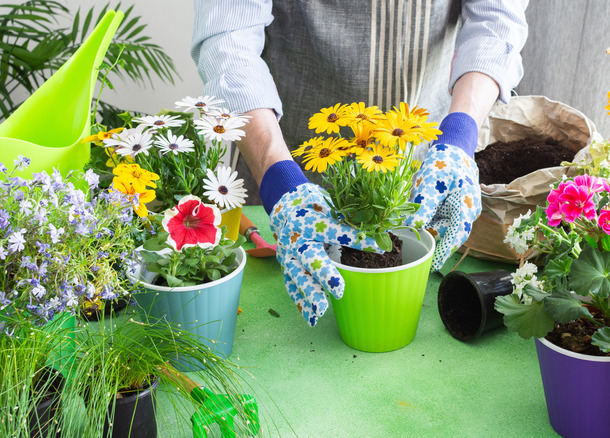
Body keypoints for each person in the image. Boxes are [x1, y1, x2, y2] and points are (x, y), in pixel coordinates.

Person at [191, 0, 528, 326]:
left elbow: (497, 18)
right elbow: (228, 38)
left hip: (422, 155)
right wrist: (279, 181)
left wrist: (459, 137)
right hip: (283, 151)